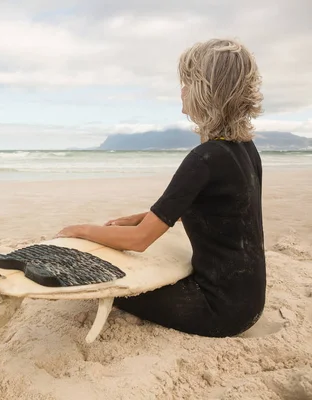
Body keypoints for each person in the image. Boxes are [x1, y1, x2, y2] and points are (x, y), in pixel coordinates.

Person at [55, 38, 266, 338]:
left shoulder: (204, 159)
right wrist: (138, 217)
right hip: (249, 300)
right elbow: (214, 207)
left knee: (108, 287)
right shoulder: (245, 149)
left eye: (189, 82)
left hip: (217, 309)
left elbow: (140, 241)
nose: (181, 90)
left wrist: (80, 230)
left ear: (209, 92)